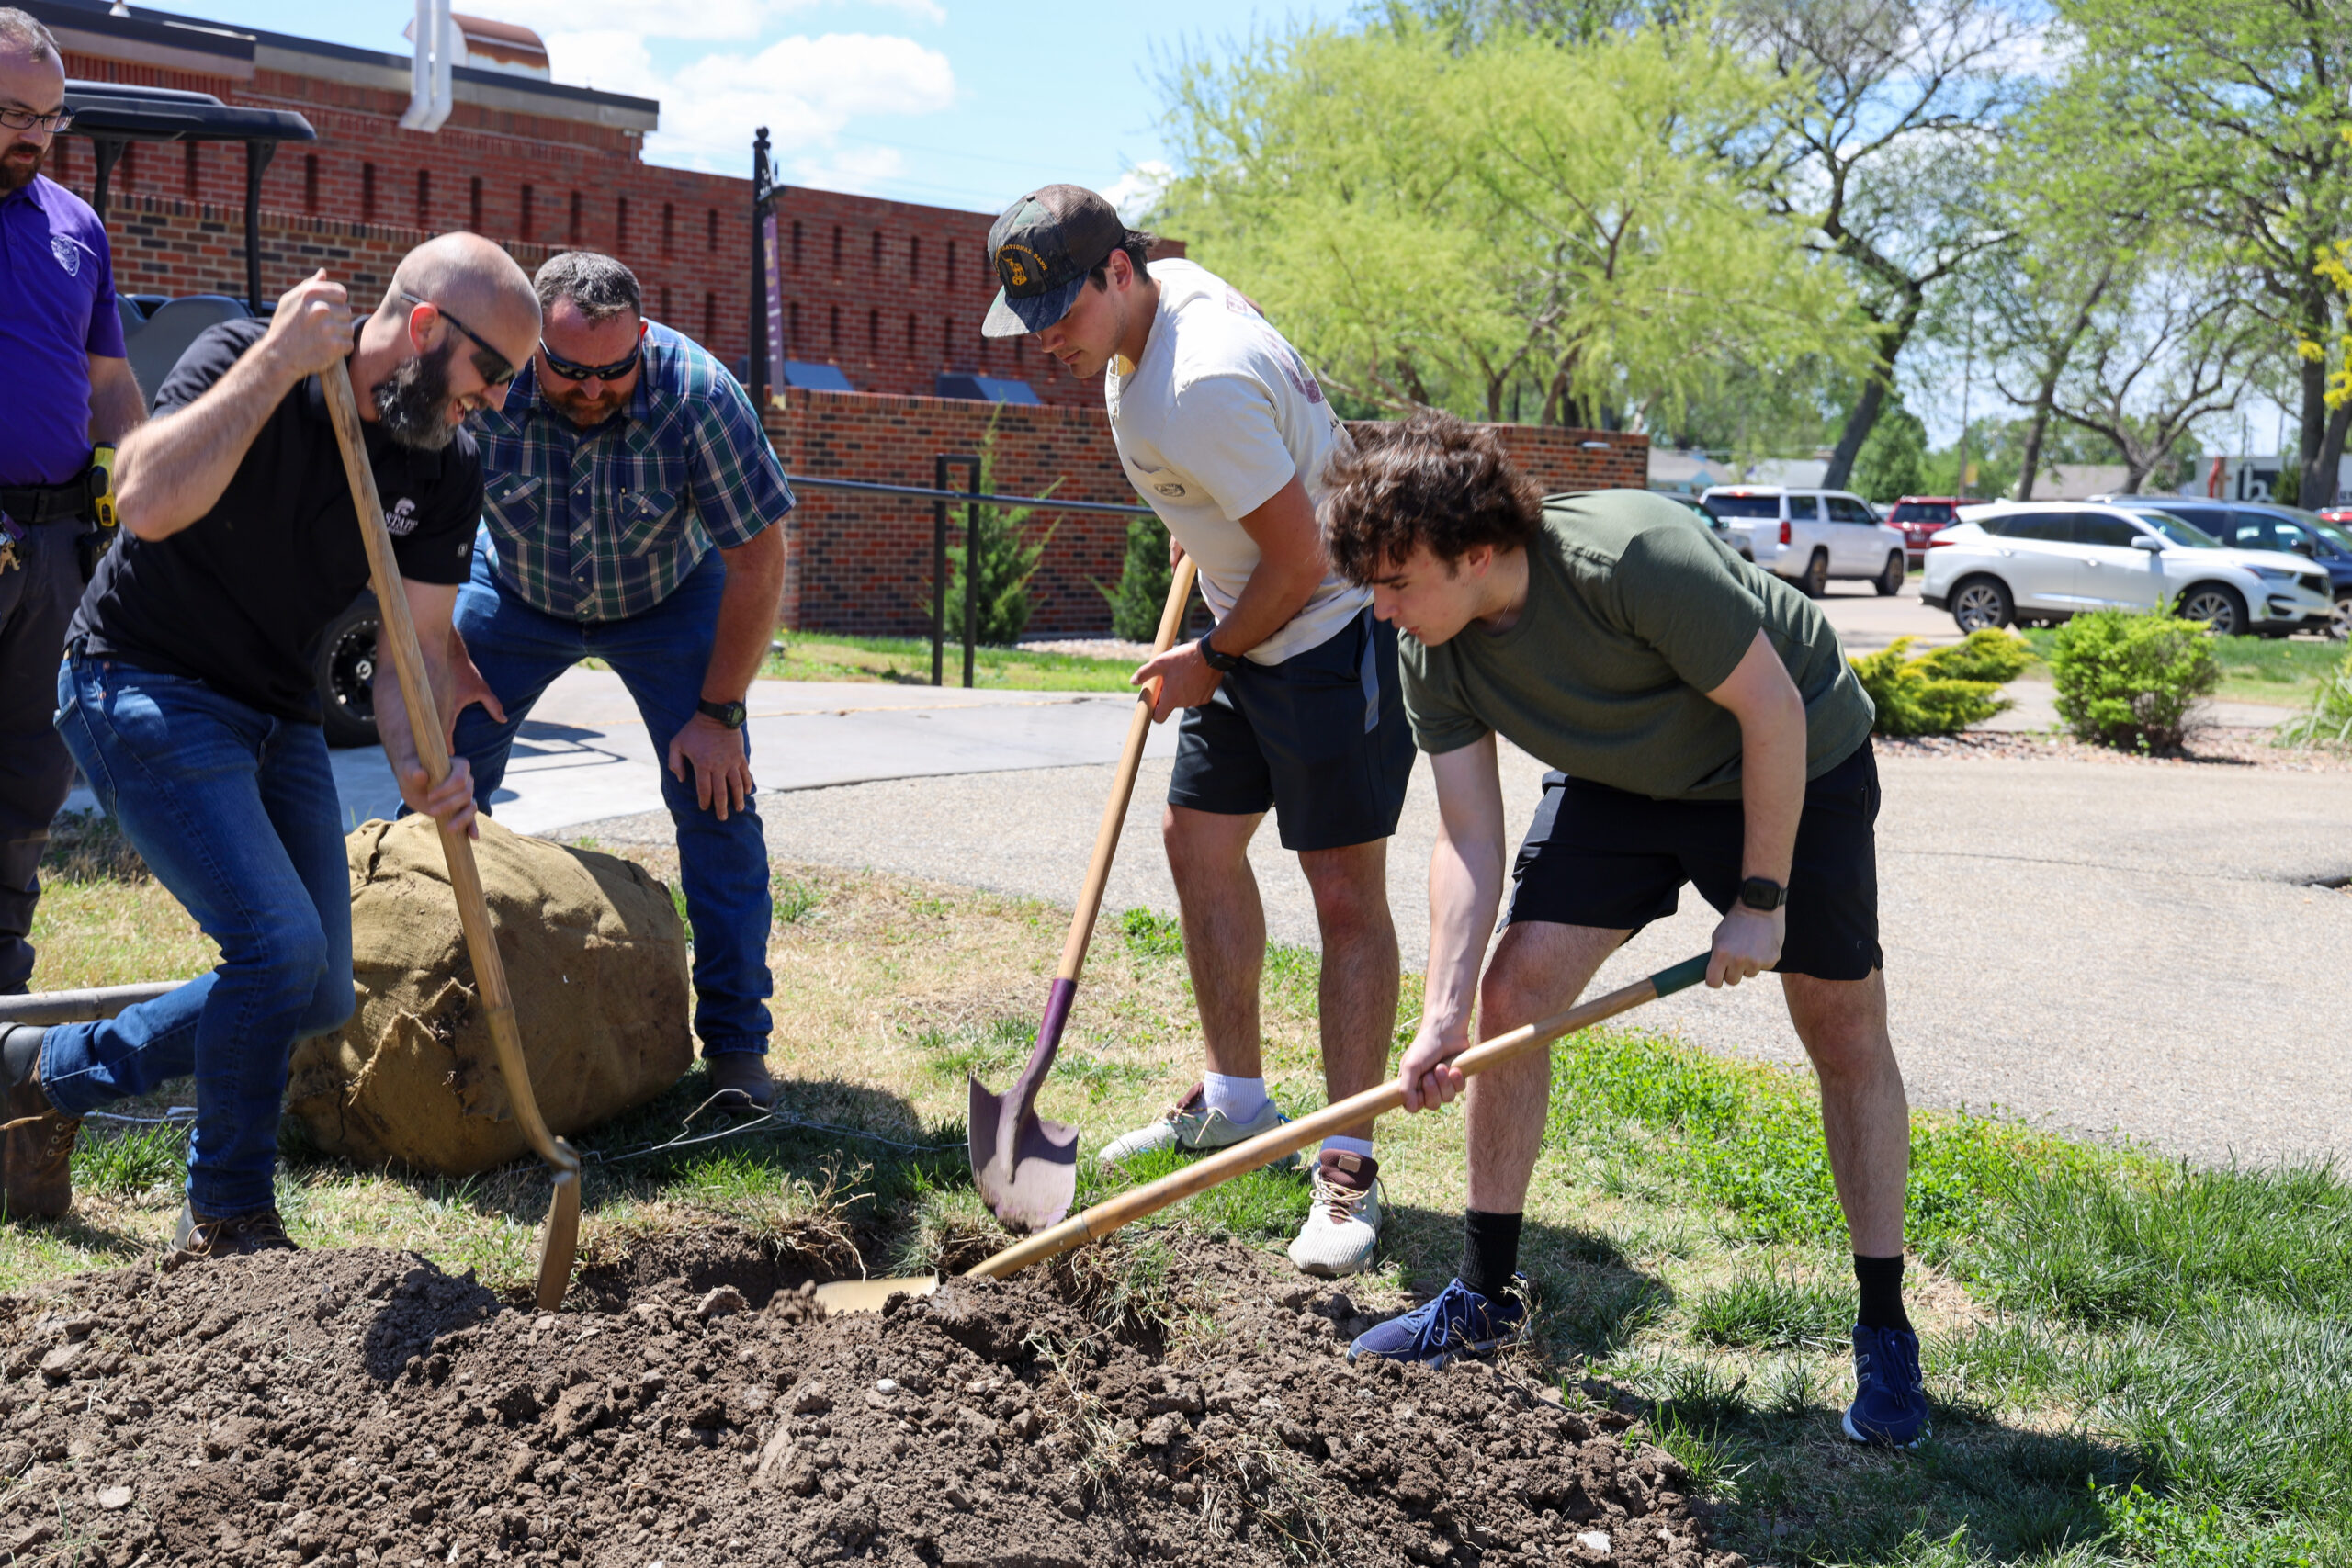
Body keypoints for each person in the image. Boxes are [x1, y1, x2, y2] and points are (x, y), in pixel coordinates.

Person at [1322, 413, 1927, 1449]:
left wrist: (1762, 899)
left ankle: (1883, 1330)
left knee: (1840, 1031)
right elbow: (1467, 835)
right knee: (1510, 998)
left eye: (1394, 582)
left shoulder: (1631, 558)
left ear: (1476, 554)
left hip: (1787, 758)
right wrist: (1438, 1016)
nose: (1379, 611)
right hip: (1621, 776)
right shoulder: (1432, 642)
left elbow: (1773, 710)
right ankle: (1482, 1297)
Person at [0, 235, 538, 1257]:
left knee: (320, 986)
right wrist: (275, 367)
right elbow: (147, 504)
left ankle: (46, 1072)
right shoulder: (246, 357)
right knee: (277, 951)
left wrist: (425, 763)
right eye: (494, 372)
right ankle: (230, 1213)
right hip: (138, 677)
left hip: (274, 710)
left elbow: (411, 648)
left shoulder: (448, 462)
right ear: (425, 328)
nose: (500, 401)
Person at [980, 186, 1416, 1279]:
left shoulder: (1198, 379)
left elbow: (1305, 559)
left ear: (1118, 273)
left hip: (1324, 634)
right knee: (1196, 842)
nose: (1047, 347)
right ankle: (1235, 1102)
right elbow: (1260, 477)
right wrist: (1205, 531)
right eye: (1029, 327)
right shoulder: (1164, 315)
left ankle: (1348, 1161)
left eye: (1060, 320)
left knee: (1343, 895)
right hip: (1246, 616)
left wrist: (1207, 661)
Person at [451, 252, 792, 1108]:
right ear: (534, 345)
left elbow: (757, 558)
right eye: (568, 370)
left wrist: (719, 713)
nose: (594, 389)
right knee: (439, 779)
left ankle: (737, 1050)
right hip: (515, 592)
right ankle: (450, 1005)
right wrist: (442, 654)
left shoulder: (701, 395)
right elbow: (405, 526)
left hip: (668, 599)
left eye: (614, 370)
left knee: (719, 800)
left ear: (643, 338)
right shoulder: (481, 384)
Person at [0, 9, 146, 996]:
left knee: (28, 773)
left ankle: (1, 979)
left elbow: (110, 384)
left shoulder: (74, 225)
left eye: (50, 119)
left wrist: (152, 494)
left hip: (55, 544)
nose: (33, 136)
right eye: (13, 113)